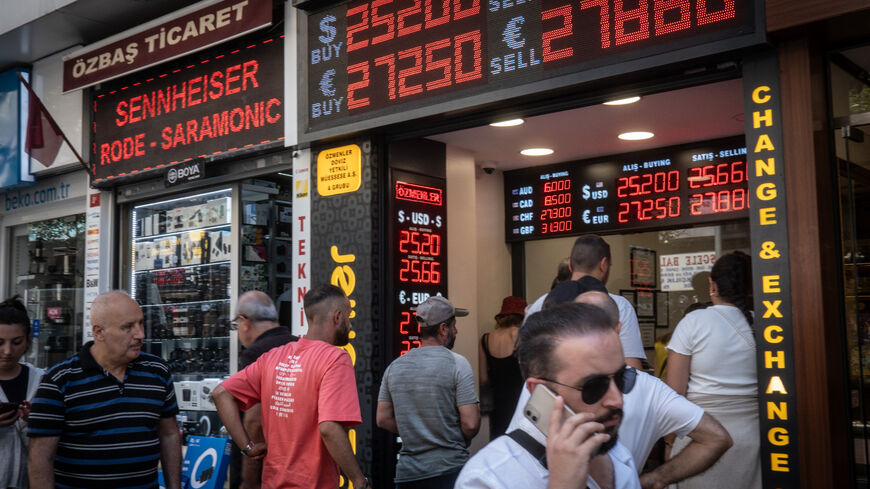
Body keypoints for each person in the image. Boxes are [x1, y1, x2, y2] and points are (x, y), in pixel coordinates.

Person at [455, 302, 638, 489]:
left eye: (622, 377)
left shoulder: (615, 449)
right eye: (594, 386)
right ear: (540, 391)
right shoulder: (488, 479)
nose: (617, 400)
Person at [212, 284, 368, 489]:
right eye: (348, 318)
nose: (350, 326)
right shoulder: (335, 358)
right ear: (337, 317)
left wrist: (247, 447)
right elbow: (329, 428)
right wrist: (358, 480)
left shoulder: (274, 356)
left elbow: (221, 393)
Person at [27, 290, 181, 489]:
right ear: (99, 332)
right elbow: (40, 460)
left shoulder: (157, 372)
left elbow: (169, 435)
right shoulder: (60, 380)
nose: (140, 334)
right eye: (128, 327)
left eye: (141, 323)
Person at [666, 251, 761, 489]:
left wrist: (669, 442)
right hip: (753, 438)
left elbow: (674, 394)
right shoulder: (767, 324)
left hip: (699, 441)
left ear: (712, 284)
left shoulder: (693, 322)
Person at [377, 296, 480, 488]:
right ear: (443, 329)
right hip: (449, 471)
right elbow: (471, 423)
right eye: (454, 325)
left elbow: (382, 418)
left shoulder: (394, 367)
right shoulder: (458, 363)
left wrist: (416, 432)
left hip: (408, 476)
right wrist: (447, 434)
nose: (456, 331)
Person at [526, 235, 646, 369]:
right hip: (599, 387)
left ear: (570, 265)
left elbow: (529, 362)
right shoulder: (618, 306)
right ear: (604, 265)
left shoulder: (539, 305)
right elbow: (632, 367)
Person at [229, 291, 298, 489]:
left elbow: (254, 420)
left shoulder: (255, 354)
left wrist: (248, 479)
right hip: (294, 464)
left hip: (264, 470)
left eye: (236, 325)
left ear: (244, 322)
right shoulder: (298, 345)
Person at [0, 296, 44, 489]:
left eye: (16, 342)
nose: (7, 351)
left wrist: (36, 422)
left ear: (27, 340)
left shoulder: (41, 380)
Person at [479, 295, 526, 439]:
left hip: (497, 406)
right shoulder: (518, 334)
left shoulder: (486, 339)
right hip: (519, 403)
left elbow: (483, 379)